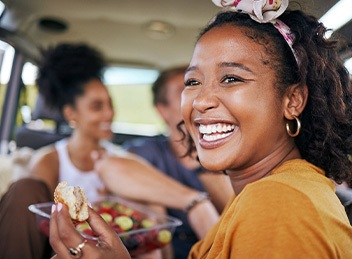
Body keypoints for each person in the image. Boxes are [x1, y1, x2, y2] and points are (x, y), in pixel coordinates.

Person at [49, 0, 352, 258]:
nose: (201, 101)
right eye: (193, 82)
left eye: (232, 78)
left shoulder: (279, 203)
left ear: (292, 100)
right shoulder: (264, 195)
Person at [0, 43, 219, 259]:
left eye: (110, 104)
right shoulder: (49, 160)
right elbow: (38, 222)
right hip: (61, 247)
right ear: (71, 114)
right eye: (97, 107)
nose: (109, 114)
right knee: (25, 188)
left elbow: (152, 217)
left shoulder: (122, 159)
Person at [122, 66, 233, 258]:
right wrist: (195, 203)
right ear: (163, 110)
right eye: (186, 89)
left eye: (199, 86)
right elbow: (110, 167)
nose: (199, 99)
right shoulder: (149, 151)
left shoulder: (230, 153)